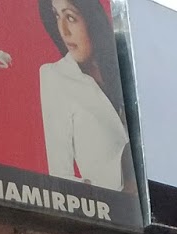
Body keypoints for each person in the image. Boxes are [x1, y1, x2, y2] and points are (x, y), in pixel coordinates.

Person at [38, 0, 133, 192]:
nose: (63, 30)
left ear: (92, 19)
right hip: (109, 201)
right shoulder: (55, 76)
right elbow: (59, 176)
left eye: (70, 17)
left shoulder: (124, 72)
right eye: (57, 16)